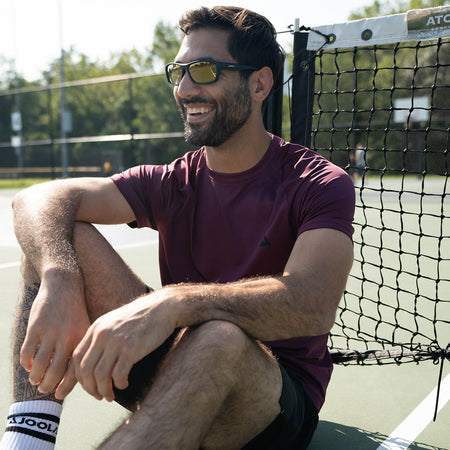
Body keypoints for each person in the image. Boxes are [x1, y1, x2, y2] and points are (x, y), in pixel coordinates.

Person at [1, 6, 355, 450]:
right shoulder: (172, 180)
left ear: (260, 83)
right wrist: (60, 278)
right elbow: (35, 198)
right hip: (175, 367)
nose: (186, 89)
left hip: (272, 407)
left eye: (204, 71)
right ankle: (27, 441)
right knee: (58, 235)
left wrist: (173, 303)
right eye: (179, 72)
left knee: (219, 337)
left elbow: (311, 304)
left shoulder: (317, 183)